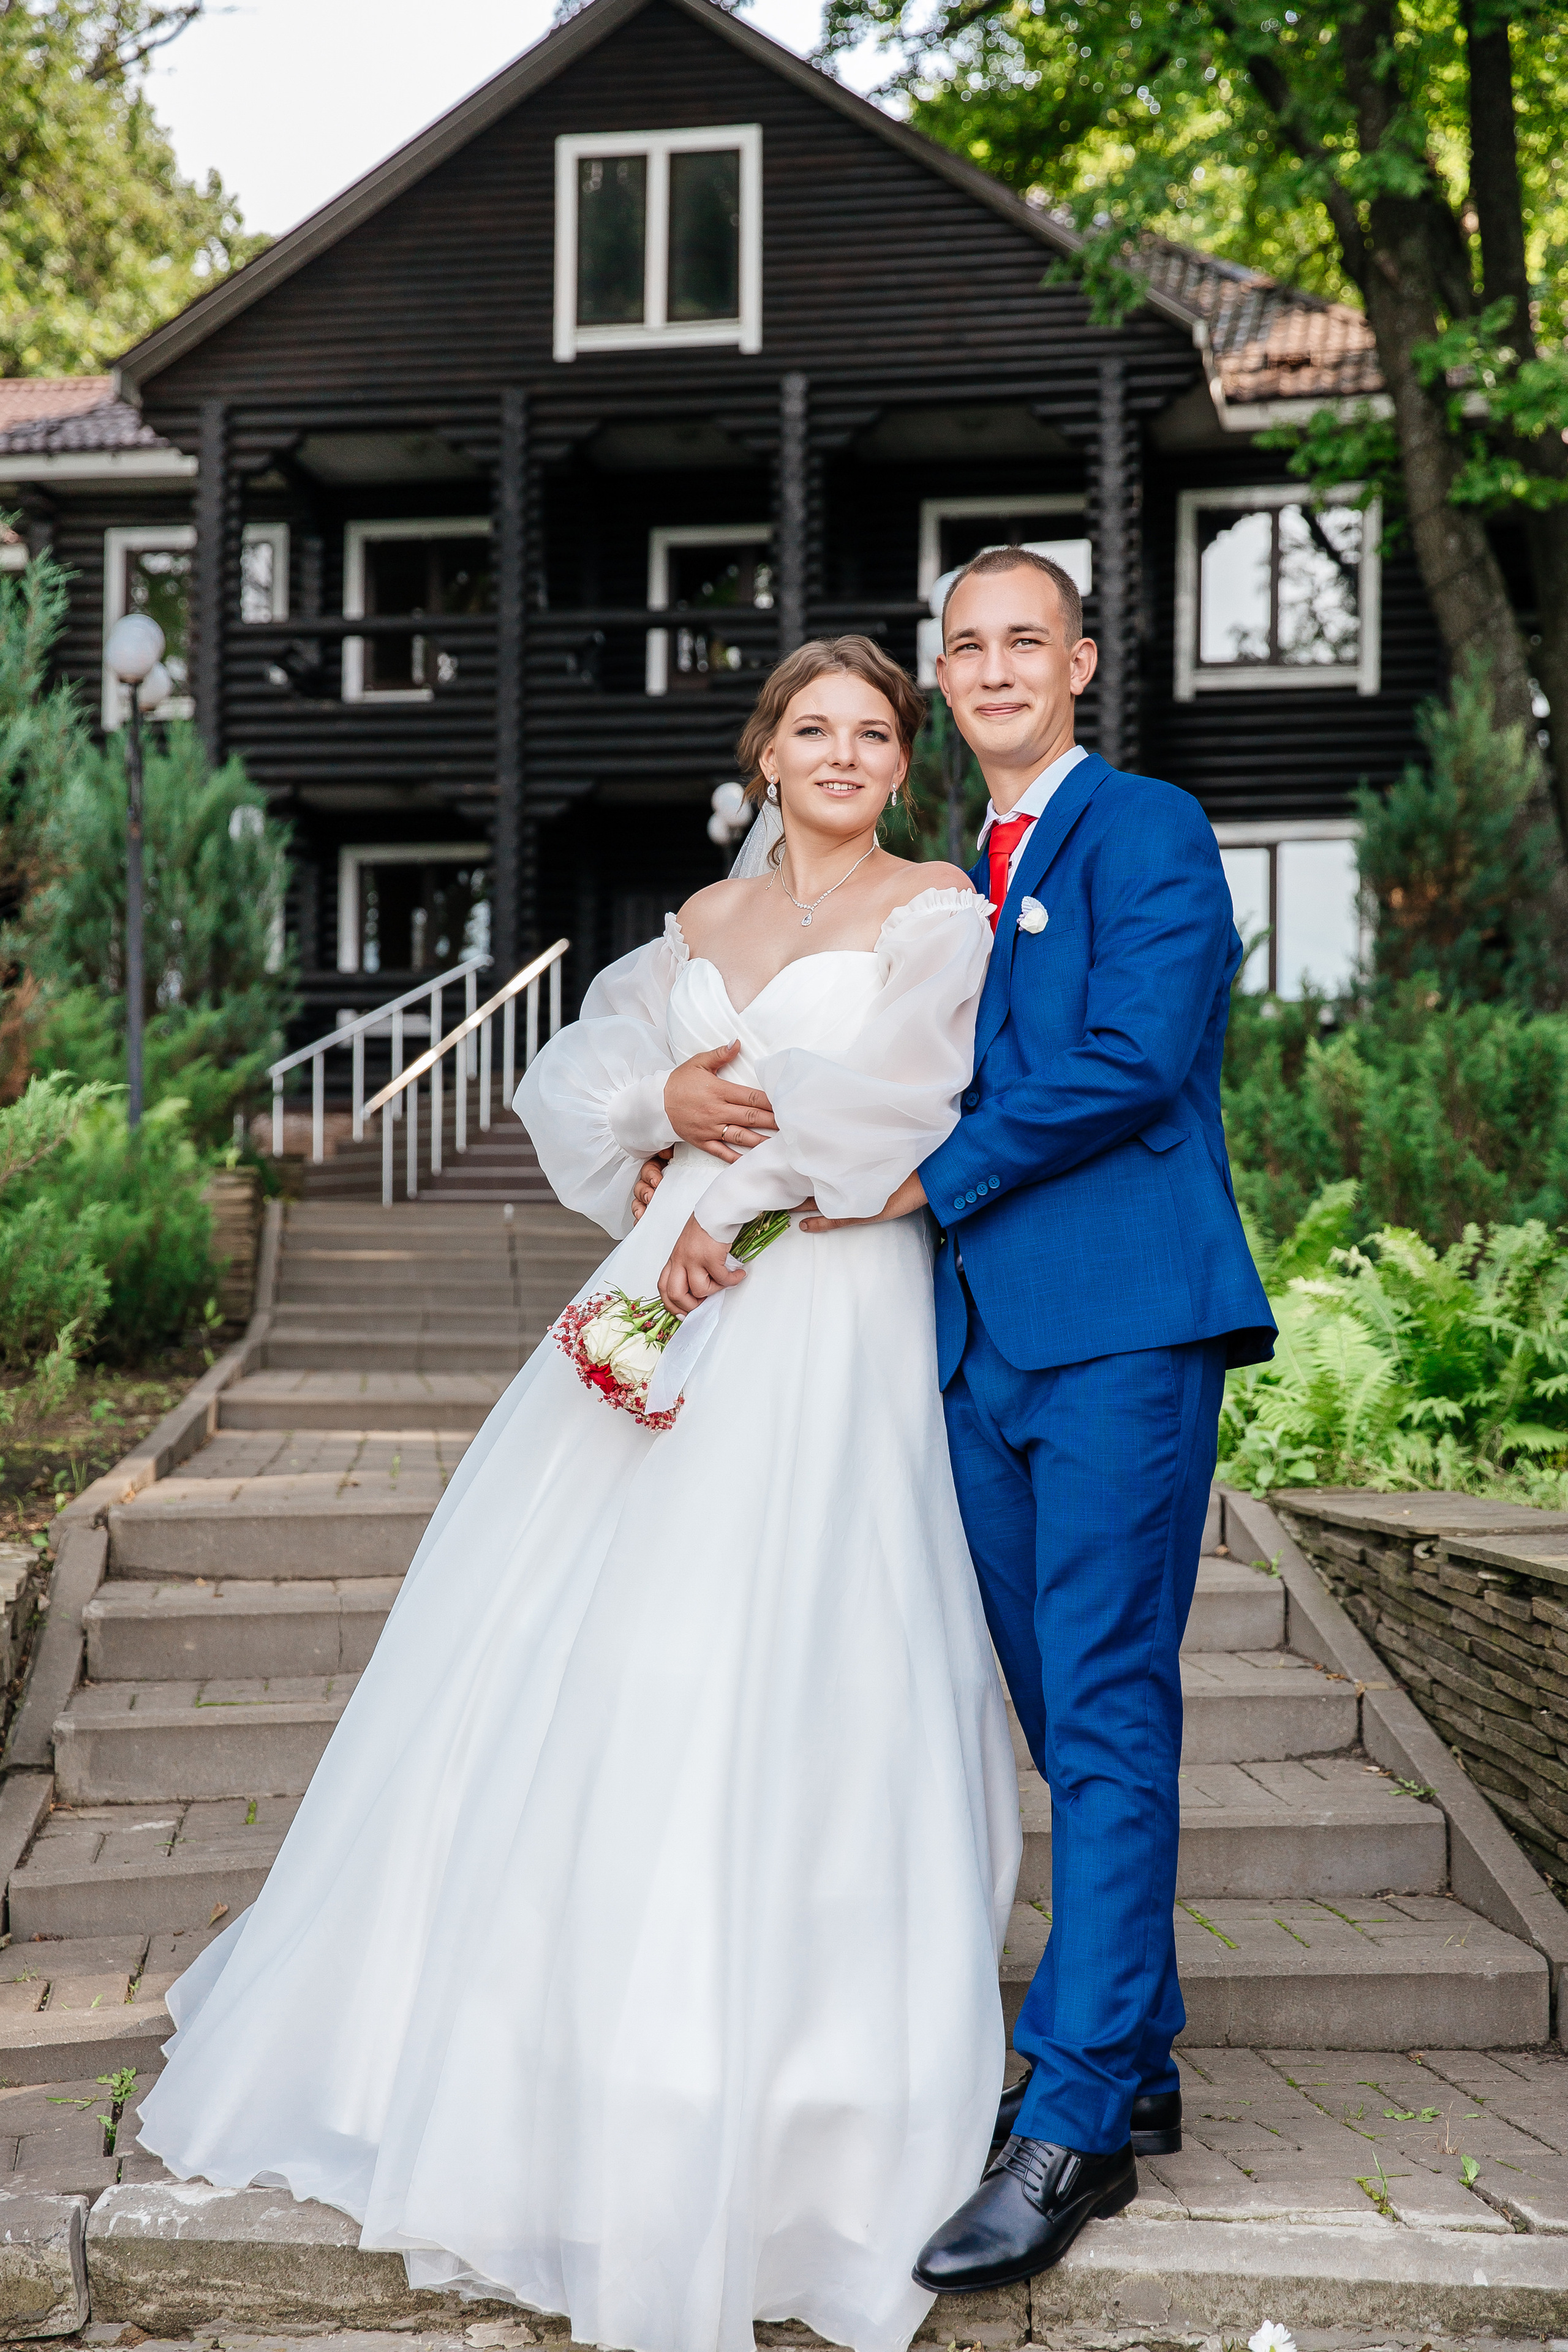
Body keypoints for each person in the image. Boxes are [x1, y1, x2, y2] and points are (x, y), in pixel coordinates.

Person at [135, 634, 1023, 2352]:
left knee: (795, 1651)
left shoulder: (938, 917)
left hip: (822, 1312)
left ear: (899, 766)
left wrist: (743, 1195)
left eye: (872, 733)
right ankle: (543, 2058)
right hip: (651, 1301)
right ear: (763, 755)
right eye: (811, 729)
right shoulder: (698, 926)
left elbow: (907, 1096)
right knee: (592, 1657)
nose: (842, 754)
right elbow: (577, 1077)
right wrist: (661, 1104)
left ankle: (793, 2104)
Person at [798, 548, 1276, 2291]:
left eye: (1027, 640)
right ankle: (1133, 2065)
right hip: (973, 1351)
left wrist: (939, 1171)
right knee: (1052, 1711)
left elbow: (1140, 1055)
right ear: (947, 683)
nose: (998, 667)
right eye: (969, 646)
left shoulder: (1141, 828)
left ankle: (1068, 2123)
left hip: (1125, 1330)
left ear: (1080, 663)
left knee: (1104, 1703)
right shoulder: (942, 882)